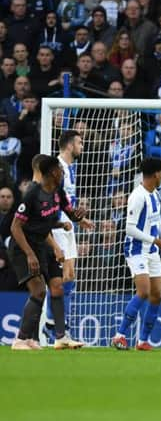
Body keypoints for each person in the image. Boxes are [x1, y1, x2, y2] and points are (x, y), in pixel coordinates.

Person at [8, 155, 85, 350]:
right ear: (52, 172)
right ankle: (20, 339)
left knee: (57, 285)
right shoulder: (32, 194)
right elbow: (15, 228)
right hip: (23, 247)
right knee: (39, 291)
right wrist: (30, 254)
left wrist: (77, 217)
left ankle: (61, 337)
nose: (62, 172)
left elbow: (69, 212)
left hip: (42, 244)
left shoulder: (58, 191)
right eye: (60, 168)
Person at [111, 158, 161, 351]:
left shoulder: (153, 194)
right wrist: (155, 241)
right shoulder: (137, 196)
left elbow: (158, 223)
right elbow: (129, 229)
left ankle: (142, 341)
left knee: (156, 296)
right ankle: (119, 336)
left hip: (151, 251)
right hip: (136, 249)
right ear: (155, 174)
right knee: (143, 291)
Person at [47, 130, 95, 337]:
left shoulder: (70, 168)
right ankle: (54, 325)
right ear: (69, 145)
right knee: (62, 277)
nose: (82, 146)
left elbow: (66, 201)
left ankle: (57, 325)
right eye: (79, 142)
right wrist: (57, 224)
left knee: (70, 277)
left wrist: (78, 218)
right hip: (58, 226)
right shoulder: (56, 168)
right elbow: (49, 199)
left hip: (68, 225)